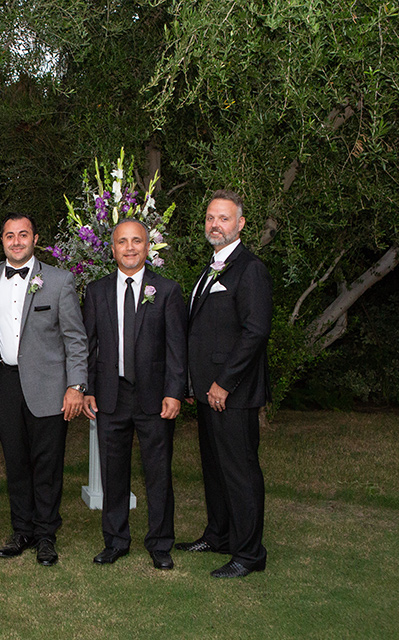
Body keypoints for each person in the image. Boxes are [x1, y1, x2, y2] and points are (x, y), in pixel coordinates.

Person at [0, 213, 88, 566]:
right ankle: (21, 530)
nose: (16, 241)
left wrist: (76, 386)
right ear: (3, 241)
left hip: (49, 385)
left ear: (35, 238)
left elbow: (75, 338)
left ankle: (45, 535)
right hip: (3, 382)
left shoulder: (58, 281)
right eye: (9, 235)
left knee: (47, 463)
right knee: (15, 461)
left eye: (23, 234)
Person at [82, 219, 187, 570]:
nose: (129, 248)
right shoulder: (96, 291)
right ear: (112, 249)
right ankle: (115, 540)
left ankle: (160, 543)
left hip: (155, 397)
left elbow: (176, 348)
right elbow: (90, 346)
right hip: (111, 396)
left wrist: (175, 392)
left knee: (158, 471)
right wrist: (88, 391)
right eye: (122, 242)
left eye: (136, 241)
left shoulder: (168, 291)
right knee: (113, 472)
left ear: (147, 247)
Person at [178, 189, 273, 578]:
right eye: (210, 218)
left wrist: (224, 383)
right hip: (206, 391)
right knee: (214, 468)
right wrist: (193, 382)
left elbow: (255, 331)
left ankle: (249, 553)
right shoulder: (212, 268)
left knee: (240, 471)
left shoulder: (250, 268)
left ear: (241, 223)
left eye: (224, 218)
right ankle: (218, 534)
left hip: (232, 393)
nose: (215, 224)